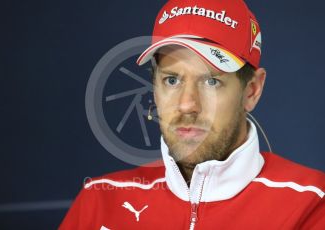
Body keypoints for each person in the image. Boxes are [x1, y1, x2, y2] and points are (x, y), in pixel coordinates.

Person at [60, 0, 325, 229]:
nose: (187, 105)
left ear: (252, 91)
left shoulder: (312, 203)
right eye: (172, 80)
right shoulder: (99, 202)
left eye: (211, 81)